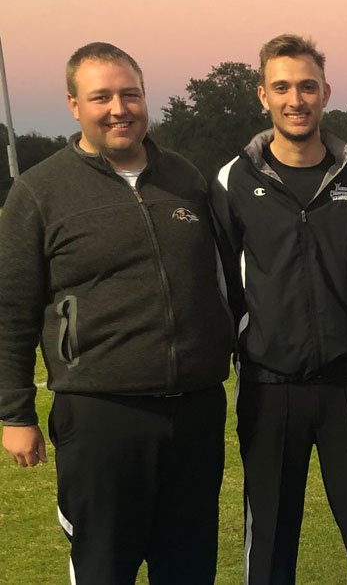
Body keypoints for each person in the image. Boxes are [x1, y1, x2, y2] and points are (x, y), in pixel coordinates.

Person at [0, 42, 232, 584]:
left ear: (145, 98)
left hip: (196, 411)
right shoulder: (39, 191)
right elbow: (10, 311)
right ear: (74, 105)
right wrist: (15, 413)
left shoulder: (184, 178)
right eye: (101, 97)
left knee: (190, 567)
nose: (119, 108)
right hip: (100, 415)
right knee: (105, 566)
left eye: (130, 94)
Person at [209, 34, 347, 585]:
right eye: (282, 87)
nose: (296, 99)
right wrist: (252, 335)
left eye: (307, 86)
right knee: (269, 534)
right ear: (262, 95)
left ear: (326, 93)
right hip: (268, 386)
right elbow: (220, 284)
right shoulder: (233, 180)